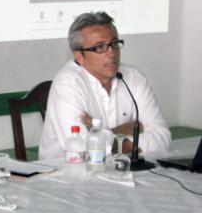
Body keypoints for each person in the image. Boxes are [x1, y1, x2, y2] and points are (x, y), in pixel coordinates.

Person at [39, 11, 170, 159]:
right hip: (68, 175)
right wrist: (122, 133)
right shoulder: (68, 83)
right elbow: (82, 150)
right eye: (100, 47)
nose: (112, 53)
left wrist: (100, 134)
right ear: (79, 56)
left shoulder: (133, 77)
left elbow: (163, 136)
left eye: (114, 44)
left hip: (121, 171)